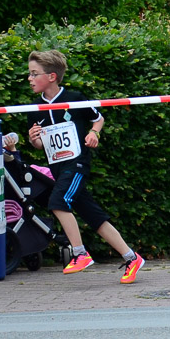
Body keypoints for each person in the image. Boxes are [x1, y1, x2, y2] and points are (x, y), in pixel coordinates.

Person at [23, 50, 146, 282]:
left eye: (34, 74)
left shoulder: (75, 98)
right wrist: (33, 139)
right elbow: (39, 145)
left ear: (51, 76)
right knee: (93, 216)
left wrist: (93, 133)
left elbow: (98, 119)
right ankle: (132, 257)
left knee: (58, 202)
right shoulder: (34, 108)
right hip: (58, 168)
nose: (29, 78)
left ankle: (79, 253)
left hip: (77, 163)